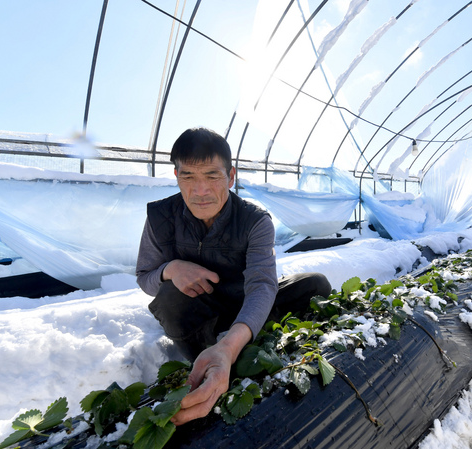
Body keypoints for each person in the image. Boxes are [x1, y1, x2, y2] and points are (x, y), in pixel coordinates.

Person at [136, 127, 331, 426]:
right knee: (169, 296)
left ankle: (233, 346)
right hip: (202, 313)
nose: (200, 191)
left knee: (315, 284)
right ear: (176, 176)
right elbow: (145, 277)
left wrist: (229, 345)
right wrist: (171, 269)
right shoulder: (160, 218)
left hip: (243, 303)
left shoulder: (255, 221)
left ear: (231, 176)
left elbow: (262, 285)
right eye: (188, 176)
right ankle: (208, 357)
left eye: (212, 176)